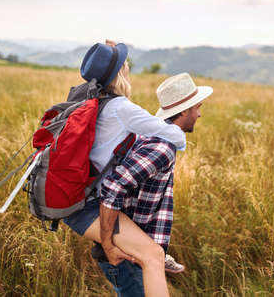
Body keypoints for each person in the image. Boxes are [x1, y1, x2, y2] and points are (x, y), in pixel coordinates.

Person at [63, 41, 190, 297]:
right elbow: (175, 136)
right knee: (153, 256)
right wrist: (108, 244)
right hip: (87, 205)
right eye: (125, 66)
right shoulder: (120, 108)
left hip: (79, 197)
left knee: (152, 255)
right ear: (122, 74)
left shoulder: (89, 100)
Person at [92, 72, 213, 296]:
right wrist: (108, 244)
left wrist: (157, 250)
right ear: (184, 110)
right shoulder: (162, 148)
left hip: (136, 250)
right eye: (197, 108)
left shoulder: (153, 136)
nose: (199, 114)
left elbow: (144, 198)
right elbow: (113, 188)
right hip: (128, 255)